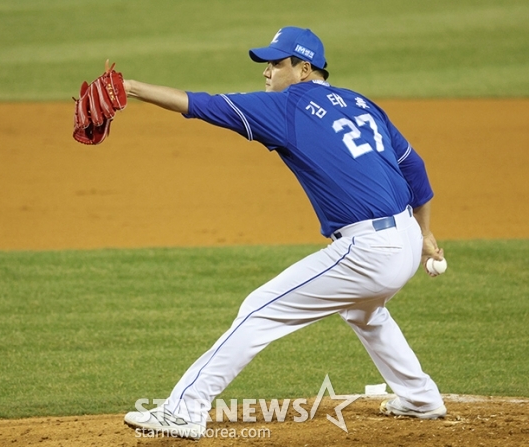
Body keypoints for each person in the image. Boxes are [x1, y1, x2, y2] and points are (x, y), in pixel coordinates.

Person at [122, 26, 447, 439]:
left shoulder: (288, 107)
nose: (267, 72)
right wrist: (426, 234)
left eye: (276, 63)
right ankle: (420, 397)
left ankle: (184, 410)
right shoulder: (360, 102)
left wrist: (131, 87)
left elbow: (200, 104)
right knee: (365, 311)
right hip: (403, 235)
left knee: (260, 309)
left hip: (370, 249)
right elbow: (413, 166)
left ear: (304, 69)